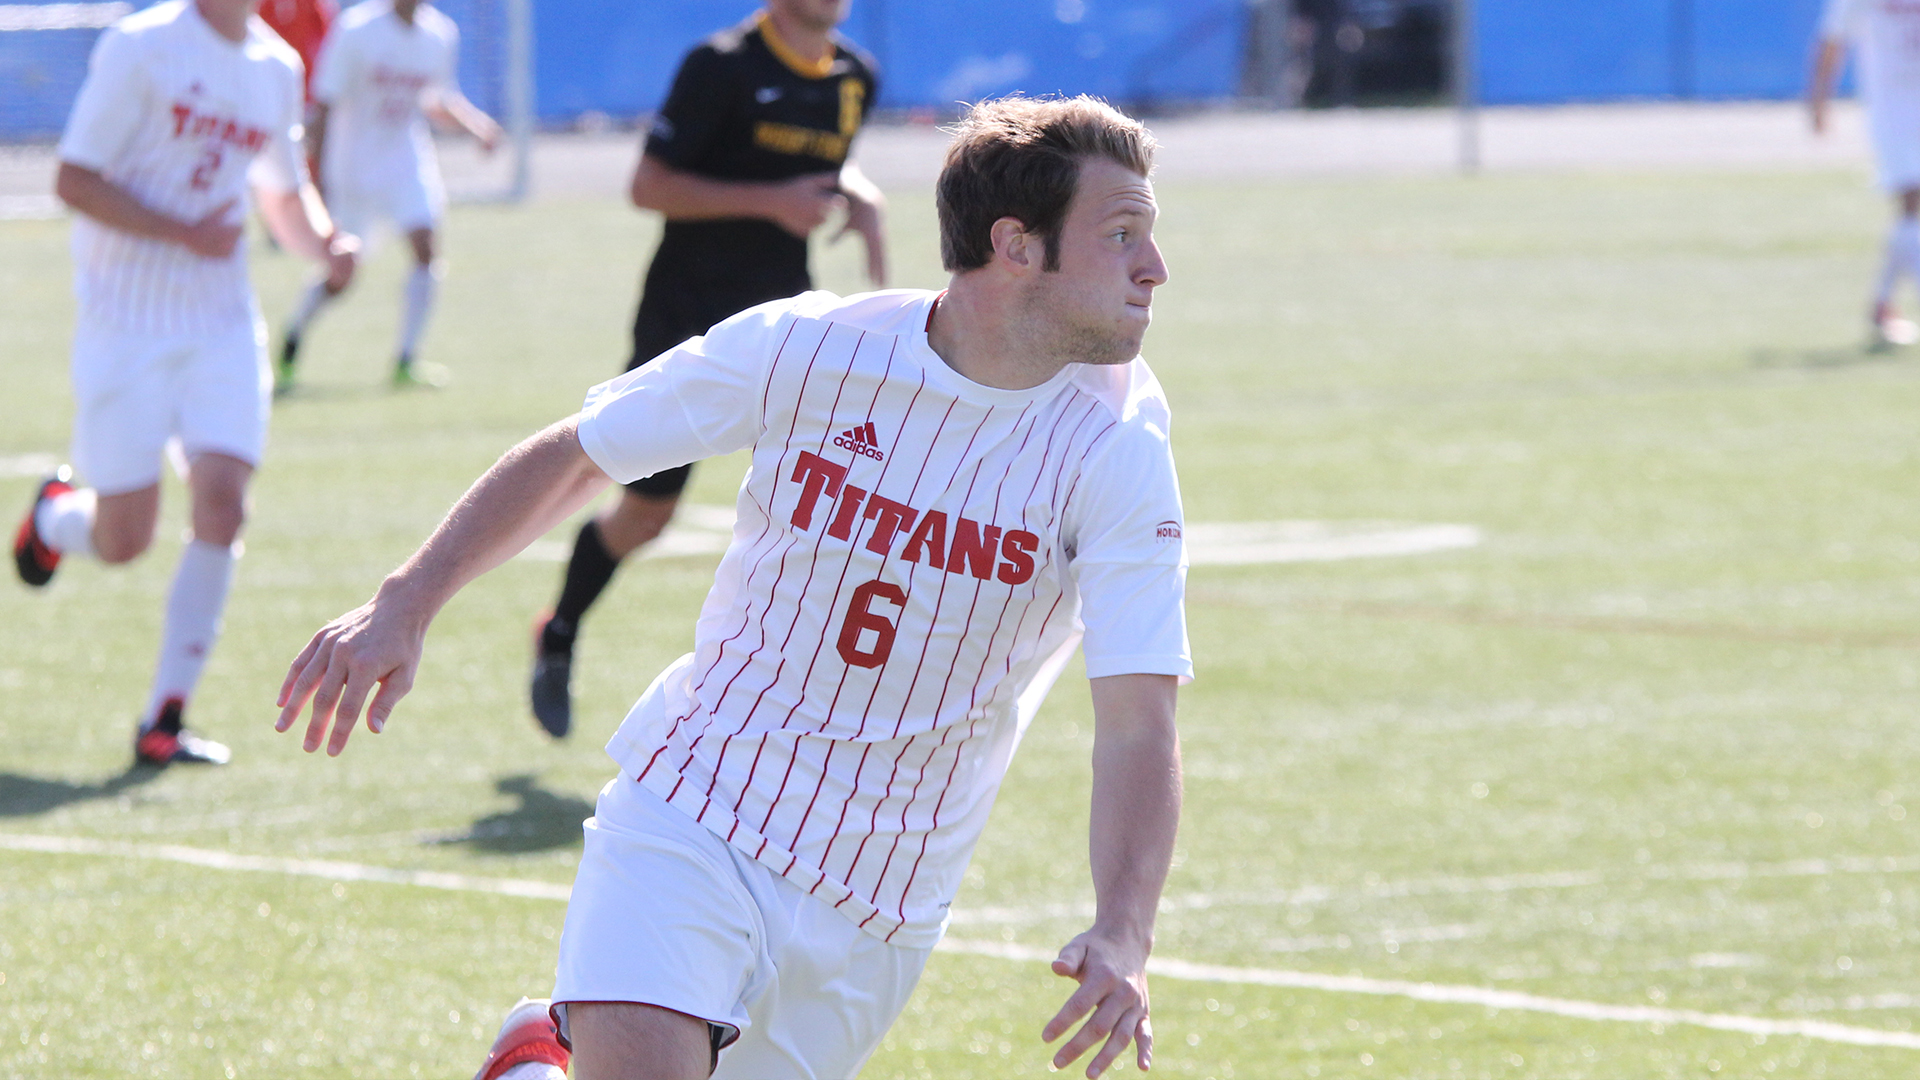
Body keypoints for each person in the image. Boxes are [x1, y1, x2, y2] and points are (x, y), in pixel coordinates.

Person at [277, 95, 1186, 1080]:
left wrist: (1125, 930)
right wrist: (406, 600)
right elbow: (587, 455)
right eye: (1121, 234)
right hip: (700, 805)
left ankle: (536, 1066)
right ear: (1016, 245)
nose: (1155, 268)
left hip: (881, 897)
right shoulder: (813, 348)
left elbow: (1139, 717)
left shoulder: (1119, 449)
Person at [12, 0, 357, 765]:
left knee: (225, 505)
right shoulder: (142, 47)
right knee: (124, 539)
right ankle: (57, 520)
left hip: (221, 325)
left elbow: (282, 193)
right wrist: (181, 232)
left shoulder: (275, 65)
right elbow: (72, 179)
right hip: (124, 324)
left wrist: (326, 246)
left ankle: (166, 715)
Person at [529, 0, 886, 739]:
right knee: (647, 512)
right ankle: (559, 632)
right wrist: (770, 202)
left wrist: (856, 193)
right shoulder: (720, 65)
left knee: (822, 509)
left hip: (790, 329)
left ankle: (790, 707)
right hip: (685, 319)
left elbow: (815, 164)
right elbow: (648, 185)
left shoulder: (857, 75)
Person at [275, 0, 501, 392]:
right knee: (344, 272)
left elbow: (437, 99)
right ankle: (294, 334)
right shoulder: (358, 29)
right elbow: (326, 101)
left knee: (426, 247)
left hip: (405, 161)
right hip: (353, 168)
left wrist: (476, 126)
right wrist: (318, 179)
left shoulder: (439, 33)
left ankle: (406, 359)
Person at [1812, 0, 1920, 347]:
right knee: (1913, 200)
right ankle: (1882, 305)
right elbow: (1832, 39)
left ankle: (1881, 304)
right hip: (1895, 111)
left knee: (1911, 213)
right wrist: (1820, 101)